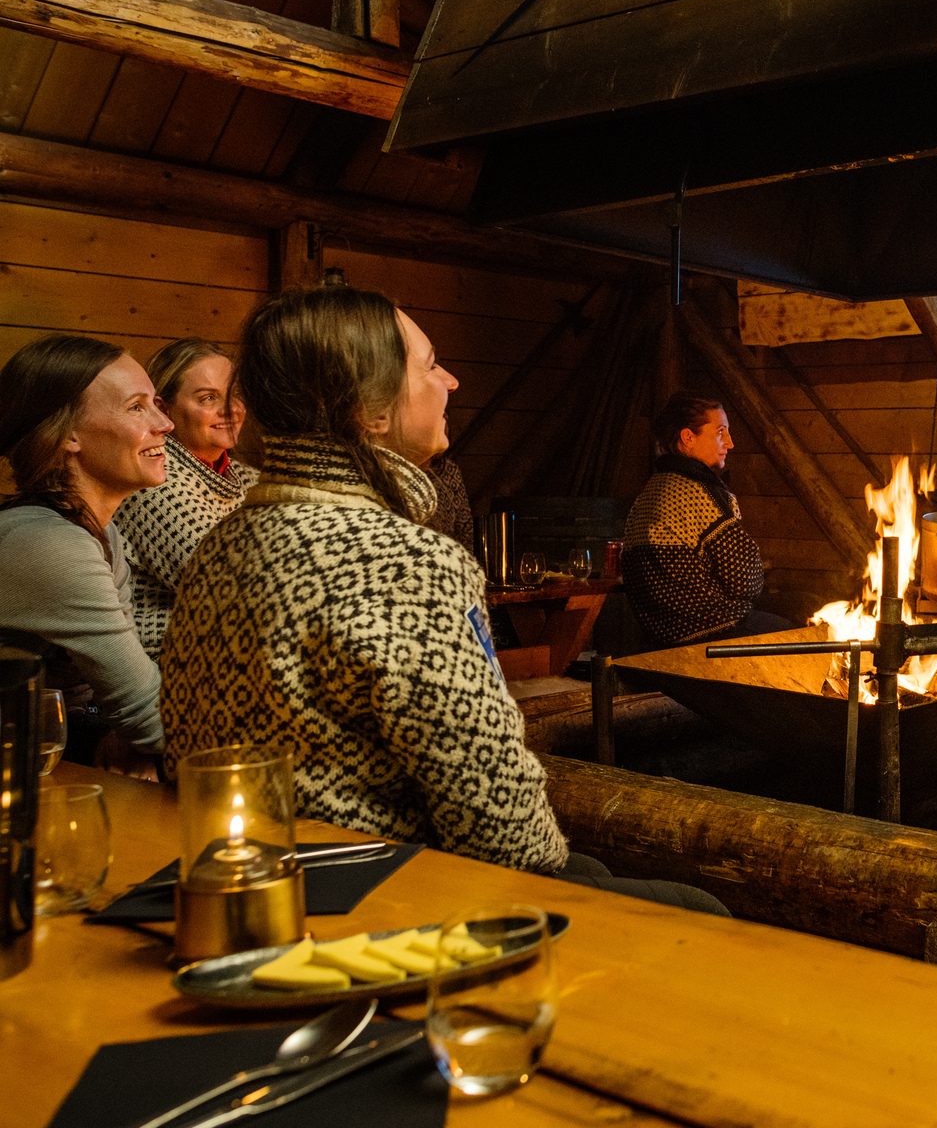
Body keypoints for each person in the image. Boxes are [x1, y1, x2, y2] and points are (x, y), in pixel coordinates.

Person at [160, 288, 725, 912]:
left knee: (593, 865)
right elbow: (501, 823)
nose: (451, 381)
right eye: (430, 365)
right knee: (701, 909)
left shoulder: (222, 543)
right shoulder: (405, 562)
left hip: (253, 870)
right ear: (370, 411)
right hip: (387, 892)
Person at [0, 335, 170, 777]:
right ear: (68, 434)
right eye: (137, 407)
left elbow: (123, 698)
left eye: (157, 404)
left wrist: (118, 738)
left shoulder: (102, 532)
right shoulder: (46, 542)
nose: (164, 424)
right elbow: (152, 716)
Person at [114, 339, 259, 654]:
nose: (231, 410)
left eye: (236, 395)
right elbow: (237, 587)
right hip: (168, 664)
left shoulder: (246, 477)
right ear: (164, 410)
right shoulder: (153, 482)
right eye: (209, 398)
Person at [623, 392, 791, 646]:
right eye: (720, 432)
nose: (730, 443)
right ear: (688, 437)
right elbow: (745, 579)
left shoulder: (650, 492)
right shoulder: (697, 494)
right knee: (799, 622)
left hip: (660, 632)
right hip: (705, 628)